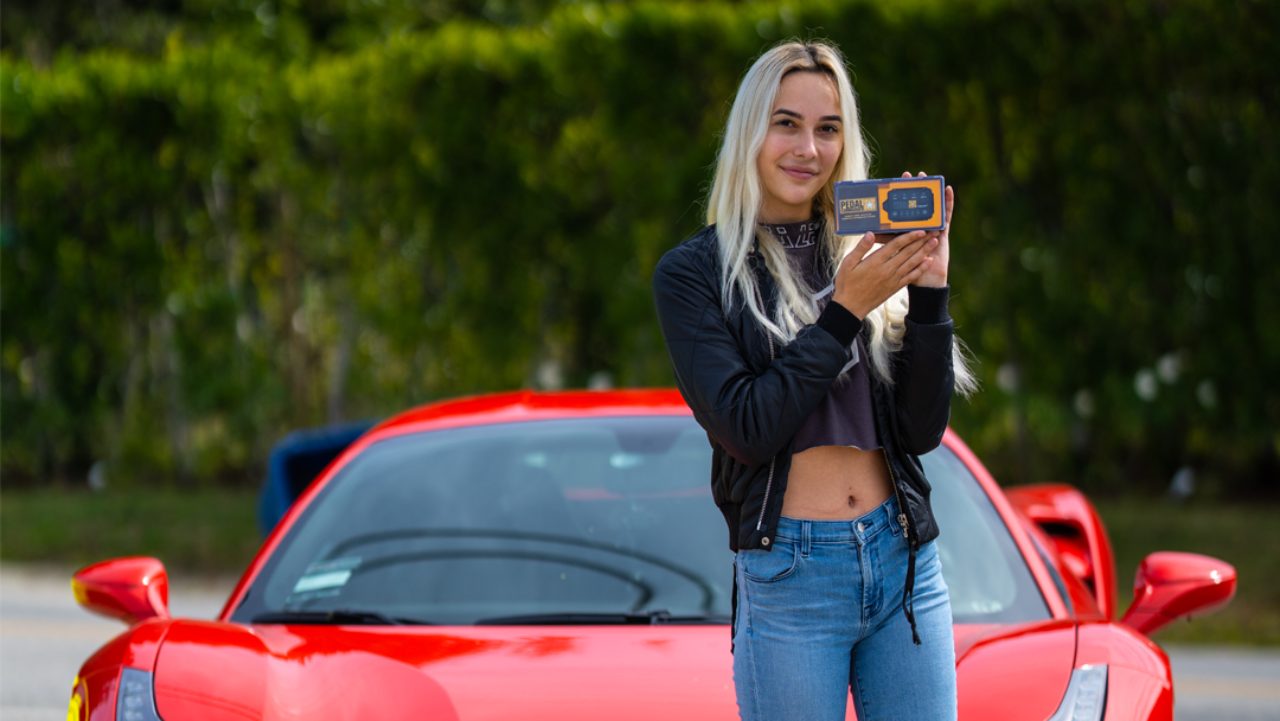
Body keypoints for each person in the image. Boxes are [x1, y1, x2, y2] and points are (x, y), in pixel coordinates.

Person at [651, 40, 977, 721]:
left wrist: (930, 295)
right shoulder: (694, 273)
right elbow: (747, 427)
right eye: (786, 123)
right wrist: (844, 312)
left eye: (828, 128)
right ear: (750, 133)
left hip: (903, 561)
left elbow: (921, 431)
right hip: (791, 573)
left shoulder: (863, 248)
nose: (808, 147)